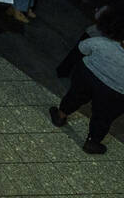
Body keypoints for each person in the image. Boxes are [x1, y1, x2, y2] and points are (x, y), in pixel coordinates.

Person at [49, 14, 124, 154]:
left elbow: (83, 48)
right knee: (103, 117)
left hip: (88, 76)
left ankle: (60, 116)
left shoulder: (102, 43)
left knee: (75, 96)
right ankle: (92, 142)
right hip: (117, 93)